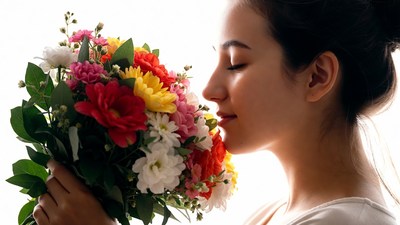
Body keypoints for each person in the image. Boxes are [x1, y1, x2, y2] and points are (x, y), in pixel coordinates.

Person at [33, 0, 400, 224]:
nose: (209, 90)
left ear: (317, 76)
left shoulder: (347, 222)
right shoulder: (276, 211)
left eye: (237, 63)